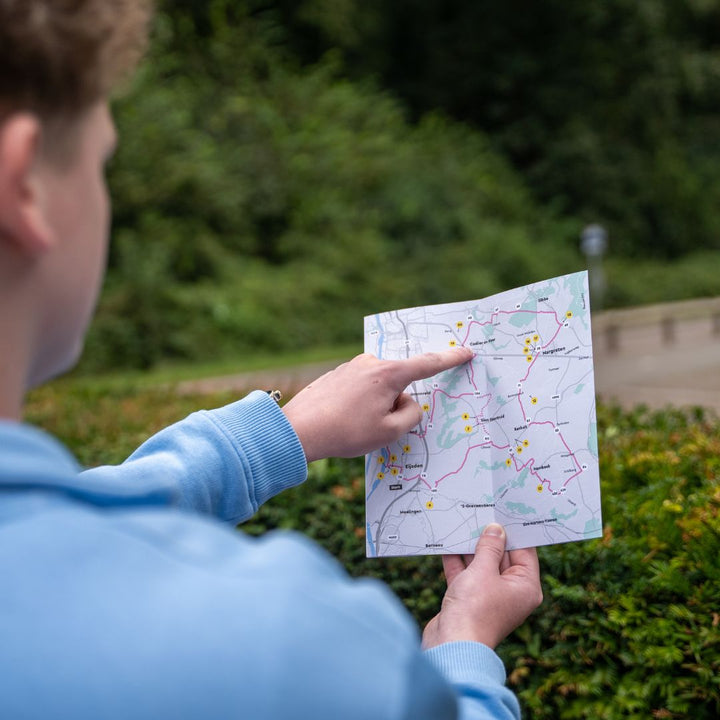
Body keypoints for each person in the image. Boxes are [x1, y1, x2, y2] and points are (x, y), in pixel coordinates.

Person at [0, 1, 543, 718]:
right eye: (103, 162)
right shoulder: (274, 641)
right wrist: (466, 651)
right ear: (24, 187)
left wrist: (287, 433)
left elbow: (60, 520)